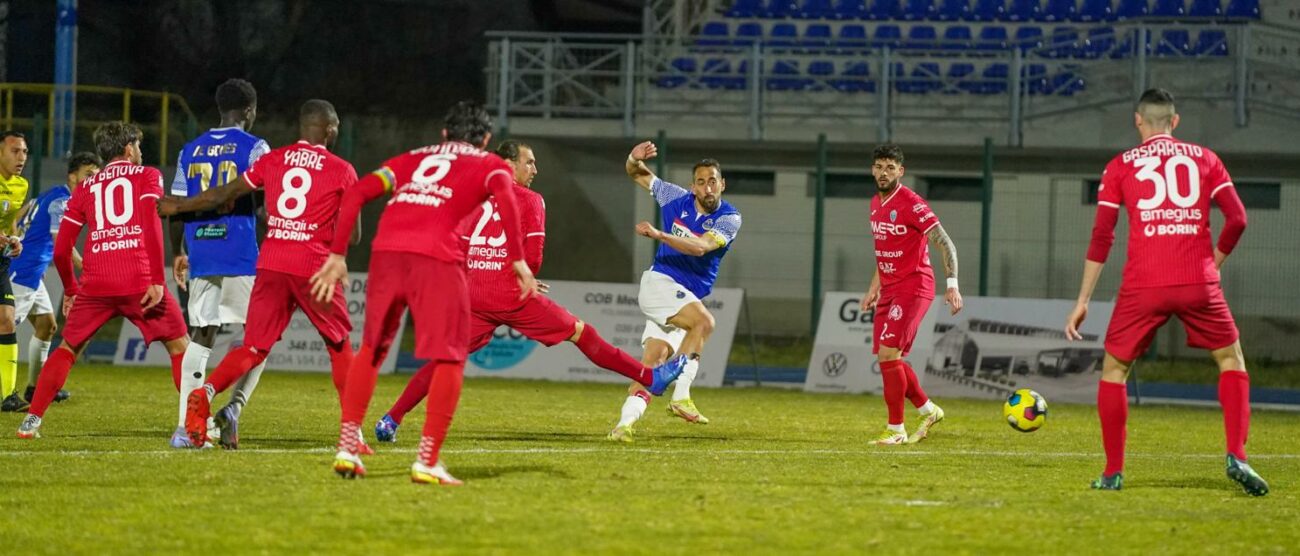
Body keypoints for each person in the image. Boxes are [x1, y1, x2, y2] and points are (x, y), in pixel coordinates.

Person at [373, 140, 685, 442]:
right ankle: (651, 378)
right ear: (509, 165)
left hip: (472, 295)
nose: (535, 169)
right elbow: (533, 259)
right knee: (582, 333)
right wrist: (520, 275)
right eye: (529, 162)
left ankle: (391, 419)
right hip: (510, 295)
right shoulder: (530, 200)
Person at [312, 101, 538, 485]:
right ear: (485, 139)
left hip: (387, 253)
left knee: (371, 349)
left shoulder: (411, 159)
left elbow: (356, 194)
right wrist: (517, 260)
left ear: (444, 135)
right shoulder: (490, 165)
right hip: (436, 257)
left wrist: (337, 254)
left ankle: (348, 446)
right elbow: (507, 199)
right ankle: (427, 460)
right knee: (449, 357)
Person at [1065, 88, 1266, 496]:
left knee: (1115, 371)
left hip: (1144, 285)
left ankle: (1113, 472)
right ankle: (1236, 455)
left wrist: (1083, 300)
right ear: (1175, 122)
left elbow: (1102, 236)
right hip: (1198, 280)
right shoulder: (1206, 158)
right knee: (1231, 359)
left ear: (1137, 121)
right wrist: (1214, 263)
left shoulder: (1119, 166)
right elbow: (1238, 219)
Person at [159, 100, 360, 450]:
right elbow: (353, 235)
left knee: (253, 345)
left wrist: (179, 206)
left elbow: (226, 193)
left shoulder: (274, 159)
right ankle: (352, 433)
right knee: (339, 344)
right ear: (329, 129)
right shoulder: (342, 169)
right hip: (313, 266)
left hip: (271, 262)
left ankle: (206, 394)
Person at [17, 122, 189, 439]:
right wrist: (155, 278)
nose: (141, 151)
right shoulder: (148, 176)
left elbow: (62, 249)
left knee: (68, 348)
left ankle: (32, 421)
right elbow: (152, 223)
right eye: (137, 145)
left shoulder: (85, 187)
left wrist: (71, 289)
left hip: (97, 284)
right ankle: (194, 425)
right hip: (139, 281)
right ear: (128, 149)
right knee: (181, 348)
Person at [606, 141, 742, 442]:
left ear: (723, 184)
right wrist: (633, 158)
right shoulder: (674, 197)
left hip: (682, 299)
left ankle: (623, 426)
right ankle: (680, 395)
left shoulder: (729, 218)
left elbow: (700, 247)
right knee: (704, 323)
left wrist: (658, 234)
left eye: (713, 181)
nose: (708, 188)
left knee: (651, 363)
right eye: (702, 182)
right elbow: (637, 173)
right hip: (660, 284)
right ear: (692, 187)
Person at [169, 78, 271, 449]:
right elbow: (262, 204)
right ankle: (232, 410)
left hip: (201, 252)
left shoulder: (190, 150)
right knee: (259, 338)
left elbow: (176, 208)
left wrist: (178, 253)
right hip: (240, 253)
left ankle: (185, 428)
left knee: (202, 334)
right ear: (248, 110)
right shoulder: (255, 147)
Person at [860, 145, 962, 446]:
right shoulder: (874, 204)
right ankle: (929, 410)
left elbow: (945, 243)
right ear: (872, 170)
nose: (883, 172)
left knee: (889, 355)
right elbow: (884, 250)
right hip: (890, 289)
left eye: (890, 167)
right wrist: (873, 289)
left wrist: (952, 284)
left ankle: (896, 429)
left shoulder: (911, 203)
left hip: (914, 286)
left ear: (900, 172)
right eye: (879, 166)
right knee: (889, 358)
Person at [10, 152, 101, 406]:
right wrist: (86, 266)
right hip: (23, 273)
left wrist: (17, 237)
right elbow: (62, 242)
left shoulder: (50, 194)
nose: (93, 181)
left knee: (47, 325)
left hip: (32, 273)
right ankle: (9, 393)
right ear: (73, 177)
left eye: (96, 177)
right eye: (88, 176)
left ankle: (34, 389)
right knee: (5, 330)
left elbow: (18, 216)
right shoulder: (62, 200)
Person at [0, 131, 31, 411]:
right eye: (14, 151)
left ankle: (8, 396)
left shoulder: (21, 186)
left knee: (7, 320)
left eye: (24, 152)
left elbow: (9, 222)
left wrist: (14, 239)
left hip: (0, 261)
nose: (21, 157)